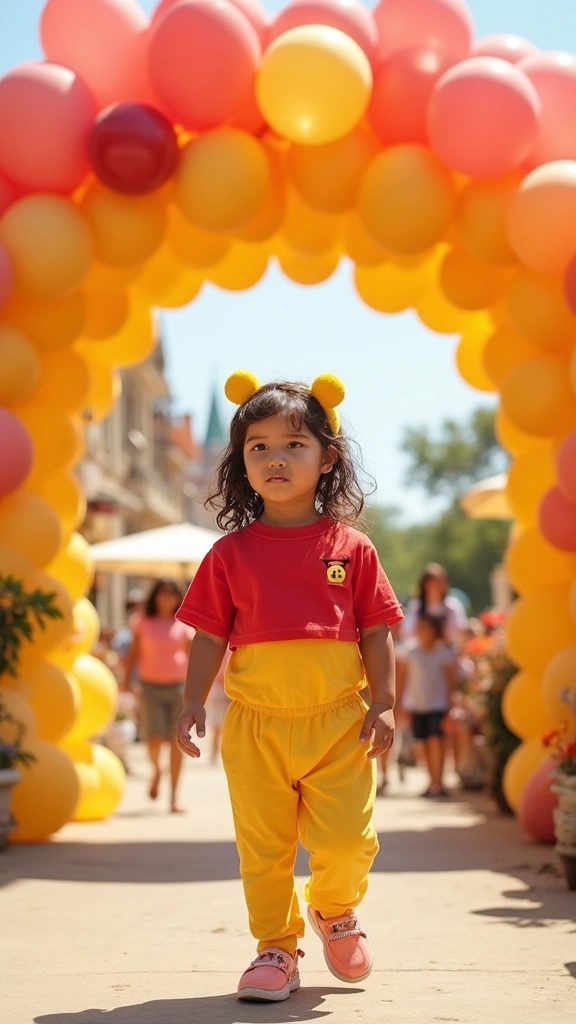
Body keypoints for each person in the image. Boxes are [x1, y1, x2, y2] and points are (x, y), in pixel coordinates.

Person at [175, 373, 403, 1003]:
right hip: (255, 726)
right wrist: (193, 701)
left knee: (348, 841)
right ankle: (275, 947)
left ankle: (334, 909)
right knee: (264, 849)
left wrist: (383, 703)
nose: (275, 458)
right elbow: (207, 638)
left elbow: (378, 631)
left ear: (327, 457)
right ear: (240, 462)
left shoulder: (352, 548)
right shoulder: (228, 555)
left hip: (338, 724)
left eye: (294, 445)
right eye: (259, 447)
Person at [121, 579, 193, 813]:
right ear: (155, 596)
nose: (167, 598)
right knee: (153, 739)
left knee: (176, 743)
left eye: (172, 594)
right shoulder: (142, 621)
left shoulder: (184, 622)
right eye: (163, 593)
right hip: (150, 686)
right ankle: (157, 771)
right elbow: (132, 654)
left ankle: (174, 797)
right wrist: (125, 683)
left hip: (179, 688)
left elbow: (195, 658)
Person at [397, 613, 457, 799]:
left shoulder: (444, 654)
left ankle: (438, 782)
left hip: (437, 705)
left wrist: (450, 707)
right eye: (420, 627)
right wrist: (399, 704)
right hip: (417, 705)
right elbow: (402, 680)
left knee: (436, 741)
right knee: (422, 745)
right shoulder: (410, 653)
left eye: (426, 628)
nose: (422, 632)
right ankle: (431, 781)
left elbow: (450, 683)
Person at [402, 563, 467, 646]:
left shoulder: (453, 605)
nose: (437, 585)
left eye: (441, 581)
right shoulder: (417, 605)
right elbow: (407, 631)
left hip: (446, 650)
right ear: (425, 584)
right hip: (421, 651)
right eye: (433, 581)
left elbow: (459, 632)